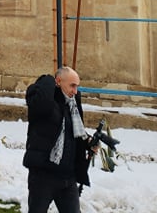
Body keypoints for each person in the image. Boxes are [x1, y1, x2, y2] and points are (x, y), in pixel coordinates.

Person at [23, 67, 92, 213]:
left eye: (77, 86)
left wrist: (88, 143)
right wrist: (48, 79)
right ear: (59, 82)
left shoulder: (73, 106)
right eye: (72, 85)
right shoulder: (44, 103)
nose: (75, 91)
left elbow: (75, 133)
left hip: (68, 178)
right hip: (43, 176)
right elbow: (41, 105)